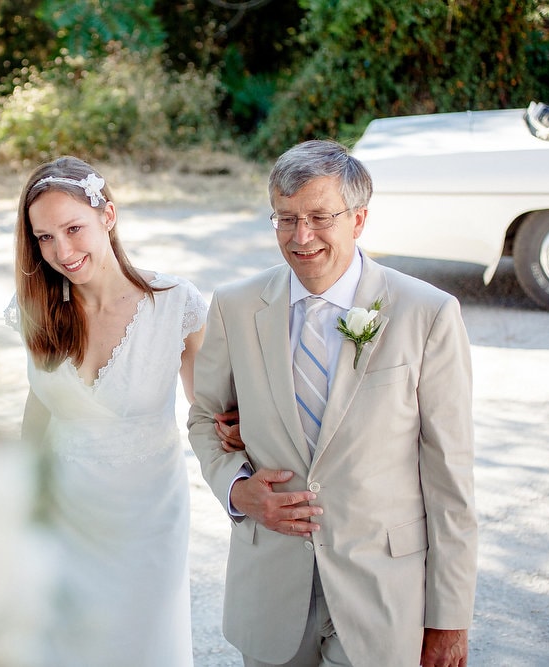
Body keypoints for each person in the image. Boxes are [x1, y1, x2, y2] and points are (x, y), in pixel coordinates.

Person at [187, 140, 477, 667]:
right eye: (286, 219)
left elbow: (449, 475)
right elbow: (207, 417)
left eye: (320, 217)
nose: (302, 237)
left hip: (382, 594)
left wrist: (450, 617)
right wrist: (237, 489)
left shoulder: (427, 313)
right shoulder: (235, 305)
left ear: (358, 219)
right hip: (271, 588)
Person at [5, 156, 229, 667]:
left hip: (147, 516)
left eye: (73, 229)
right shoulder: (37, 307)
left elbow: (213, 409)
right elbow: (40, 406)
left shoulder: (174, 304)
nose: (62, 251)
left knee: (143, 645)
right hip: (63, 513)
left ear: (108, 215)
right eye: (44, 238)